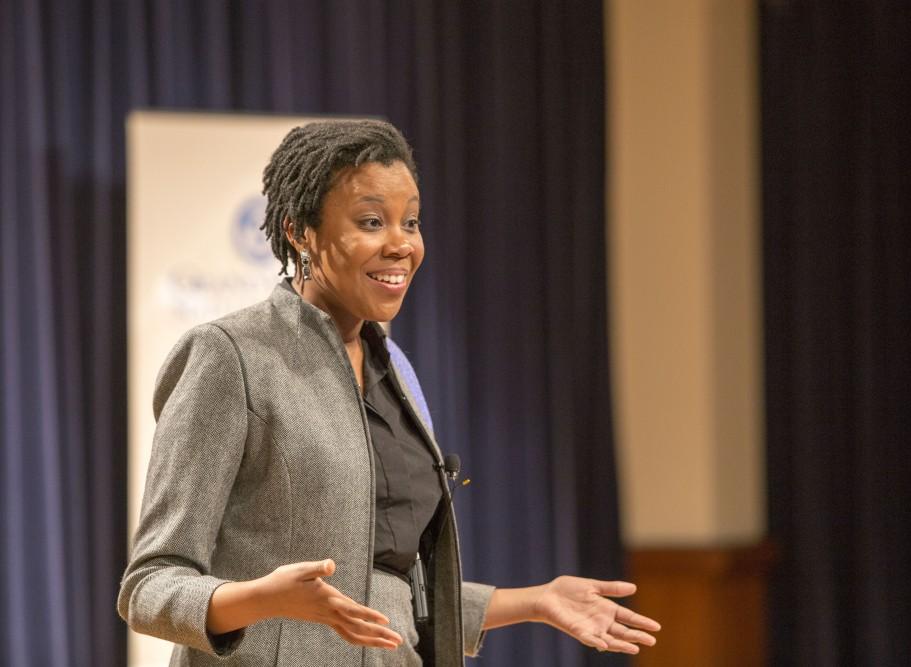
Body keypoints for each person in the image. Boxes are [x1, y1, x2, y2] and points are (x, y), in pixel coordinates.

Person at [118, 119, 660, 666]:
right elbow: (150, 587)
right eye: (372, 221)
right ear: (299, 232)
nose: (401, 244)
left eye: (412, 222)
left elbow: (393, 590)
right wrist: (264, 598)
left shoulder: (395, 370)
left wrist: (536, 602)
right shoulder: (229, 356)